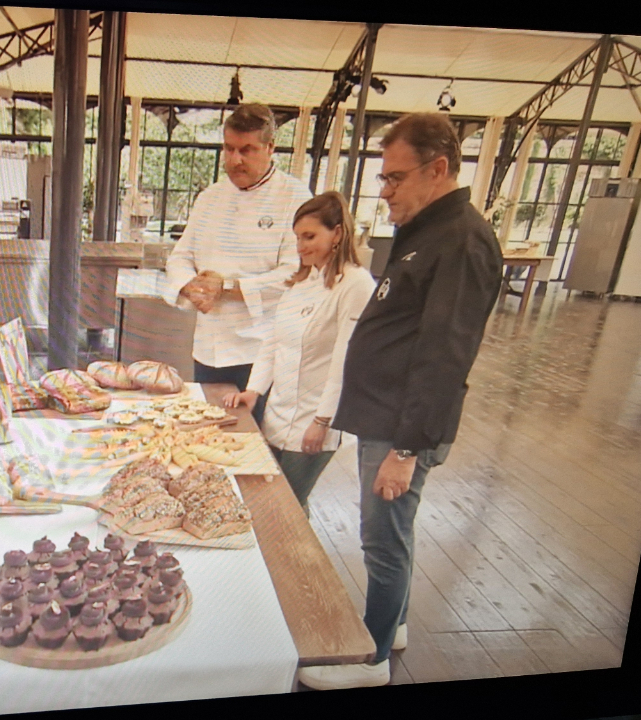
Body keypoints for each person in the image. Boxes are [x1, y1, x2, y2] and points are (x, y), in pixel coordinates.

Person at [296, 113, 504, 690]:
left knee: (382, 539)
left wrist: (406, 450)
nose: (383, 192)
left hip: (402, 426)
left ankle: (373, 658)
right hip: (387, 415)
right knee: (394, 531)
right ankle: (399, 622)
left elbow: (446, 356)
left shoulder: (461, 240)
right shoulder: (428, 231)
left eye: (393, 178)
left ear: (437, 170)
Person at [222, 192, 376, 518]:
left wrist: (322, 421)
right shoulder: (299, 282)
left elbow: (346, 360)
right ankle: (289, 564)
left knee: (282, 507)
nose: (301, 246)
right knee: (277, 502)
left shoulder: (356, 284)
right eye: (297, 238)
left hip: (316, 420)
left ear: (337, 233)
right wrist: (254, 390)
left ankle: (295, 565)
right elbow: (273, 342)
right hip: (276, 415)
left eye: (310, 236)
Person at [164, 104, 313, 426]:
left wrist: (228, 288)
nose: (235, 160)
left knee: (252, 439)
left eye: (247, 150)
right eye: (229, 149)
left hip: (261, 352)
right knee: (210, 430)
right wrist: (191, 285)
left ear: (271, 148)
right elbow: (180, 256)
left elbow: (296, 272)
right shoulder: (210, 197)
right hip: (208, 346)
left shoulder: (295, 197)